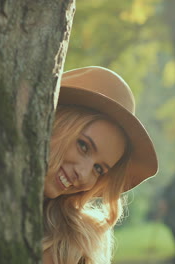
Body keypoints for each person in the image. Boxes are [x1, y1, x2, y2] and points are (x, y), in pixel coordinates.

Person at [42, 66, 158, 264]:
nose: (84, 174)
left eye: (99, 169)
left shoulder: (74, 244)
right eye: (83, 146)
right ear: (57, 121)